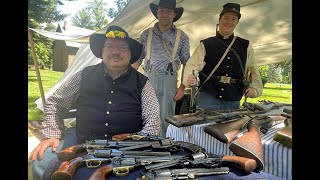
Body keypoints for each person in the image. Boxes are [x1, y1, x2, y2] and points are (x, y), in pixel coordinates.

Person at [29, 25, 161, 179]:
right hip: (81, 140)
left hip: (125, 149)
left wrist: (135, 148)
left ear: (130, 54)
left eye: (122, 47)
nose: (115, 52)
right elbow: (55, 103)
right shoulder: (84, 75)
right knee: (41, 161)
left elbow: (153, 123)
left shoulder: (143, 83)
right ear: (102, 51)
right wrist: (52, 135)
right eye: (109, 46)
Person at [183, 2, 263, 110]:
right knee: (204, 127)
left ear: (237, 22)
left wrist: (255, 89)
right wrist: (191, 78)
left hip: (233, 99)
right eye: (226, 18)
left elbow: (253, 69)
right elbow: (192, 66)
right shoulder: (206, 44)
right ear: (219, 19)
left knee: (230, 127)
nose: (229, 22)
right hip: (208, 97)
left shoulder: (245, 45)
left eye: (233, 19)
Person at [132, 0, 190, 137]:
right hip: (148, 78)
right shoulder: (146, 34)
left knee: (166, 118)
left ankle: (165, 147)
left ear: (174, 14)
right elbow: (137, 60)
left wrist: (182, 87)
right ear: (157, 12)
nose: (164, 14)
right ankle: (146, 146)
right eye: (162, 10)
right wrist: (128, 82)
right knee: (147, 114)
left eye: (168, 11)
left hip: (169, 79)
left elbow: (186, 63)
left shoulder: (182, 36)